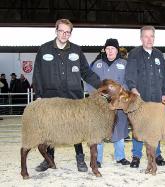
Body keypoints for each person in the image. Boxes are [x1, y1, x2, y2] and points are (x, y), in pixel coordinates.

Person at [32, 18, 101, 173]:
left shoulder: (76, 50)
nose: (64, 34)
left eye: (67, 32)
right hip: (51, 98)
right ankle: (49, 160)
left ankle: (80, 159)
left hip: (73, 98)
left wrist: (101, 85)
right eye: (61, 31)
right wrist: (39, 95)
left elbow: (86, 72)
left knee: (76, 128)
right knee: (50, 129)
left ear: (70, 33)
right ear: (56, 30)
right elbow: (38, 74)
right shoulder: (44, 50)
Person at [125, 25, 165, 168]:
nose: (149, 39)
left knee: (156, 127)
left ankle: (157, 154)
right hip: (141, 100)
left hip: (157, 99)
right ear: (141, 38)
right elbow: (130, 74)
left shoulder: (159, 54)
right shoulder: (134, 54)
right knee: (139, 127)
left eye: (151, 36)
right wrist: (133, 88)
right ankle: (136, 156)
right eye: (146, 36)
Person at [86, 38, 130, 168]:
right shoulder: (97, 63)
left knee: (119, 128)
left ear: (118, 50)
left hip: (118, 103)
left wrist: (120, 95)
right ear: (104, 50)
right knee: (99, 130)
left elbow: (128, 81)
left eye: (113, 49)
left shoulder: (124, 63)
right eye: (108, 49)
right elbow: (89, 81)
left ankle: (120, 157)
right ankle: (97, 159)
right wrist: (95, 96)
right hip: (100, 104)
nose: (110, 51)